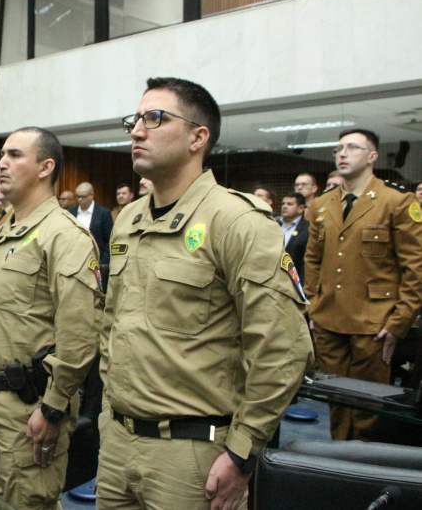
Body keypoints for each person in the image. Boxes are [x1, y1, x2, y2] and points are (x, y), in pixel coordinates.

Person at [99, 77, 313, 509]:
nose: (137, 131)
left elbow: (284, 347)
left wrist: (242, 451)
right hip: (118, 443)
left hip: (193, 455)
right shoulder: (129, 220)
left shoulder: (236, 220)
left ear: (198, 138)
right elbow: (113, 324)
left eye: (154, 118)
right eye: (134, 120)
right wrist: (108, 415)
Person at [0, 127, 102, 509]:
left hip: (30, 407)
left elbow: (81, 333)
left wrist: (53, 407)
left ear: (46, 168)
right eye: (1, 155)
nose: (1, 164)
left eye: (14, 155)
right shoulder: (3, 231)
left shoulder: (64, 235)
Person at [304, 128, 422, 441]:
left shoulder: (396, 201)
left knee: (368, 406)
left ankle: (363, 462)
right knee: (335, 401)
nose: (342, 153)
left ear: (372, 157)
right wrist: (312, 307)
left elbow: (415, 268)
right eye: (339, 148)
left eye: (353, 147)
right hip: (329, 319)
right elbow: (312, 261)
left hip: (374, 321)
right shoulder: (322, 204)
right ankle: (340, 458)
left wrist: (399, 322)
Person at [69, 182, 113, 266]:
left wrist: (103, 262)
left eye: (83, 196)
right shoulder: (71, 213)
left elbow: (110, 240)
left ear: (92, 195)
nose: (79, 199)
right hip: (74, 261)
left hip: (97, 261)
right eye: (77, 196)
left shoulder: (103, 213)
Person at [280, 192, 308, 281]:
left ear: (301, 208)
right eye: (283, 204)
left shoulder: (308, 229)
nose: (284, 206)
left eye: (289, 204)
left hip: (295, 280)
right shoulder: (274, 225)